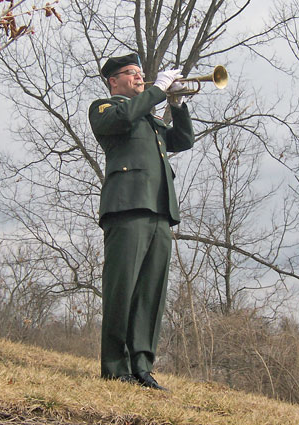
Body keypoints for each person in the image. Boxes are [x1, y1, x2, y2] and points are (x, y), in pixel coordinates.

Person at [89, 53, 194, 390]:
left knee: (151, 293)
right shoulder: (105, 109)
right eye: (131, 73)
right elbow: (124, 117)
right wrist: (159, 90)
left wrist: (176, 103)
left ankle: (142, 366)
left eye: (140, 73)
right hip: (127, 208)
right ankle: (115, 367)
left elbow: (183, 141)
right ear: (113, 81)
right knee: (122, 290)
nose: (138, 77)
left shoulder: (150, 120)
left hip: (160, 211)